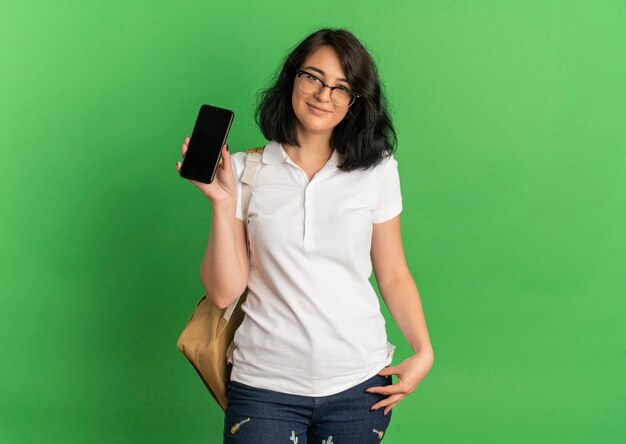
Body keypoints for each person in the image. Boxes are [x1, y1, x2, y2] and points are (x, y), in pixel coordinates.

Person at [176, 28, 434, 443]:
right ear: (292, 79)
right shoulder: (245, 171)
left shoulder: (378, 169)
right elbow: (224, 293)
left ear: (354, 102)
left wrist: (423, 351)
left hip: (357, 385)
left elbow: (394, 272)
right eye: (313, 77)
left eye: (341, 87)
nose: (323, 94)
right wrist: (221, 204)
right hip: (264, 386)